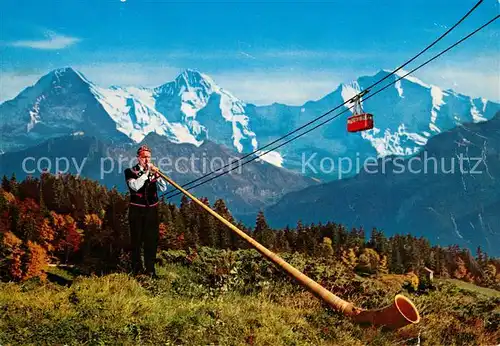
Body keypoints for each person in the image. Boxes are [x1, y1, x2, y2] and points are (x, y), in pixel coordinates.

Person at [124, 145, 168, 278]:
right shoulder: (130, 171)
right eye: (144, 157)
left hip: (152, 211)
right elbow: (135, 187)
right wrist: (147, 173)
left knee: (151, 240)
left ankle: (150, 270)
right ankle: (136, 270)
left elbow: (163, 188)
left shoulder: (153, 171)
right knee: (136, 241)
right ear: (138, 158)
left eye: (148, 157)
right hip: (136, 210)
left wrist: (158, 176)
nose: (147, 160)